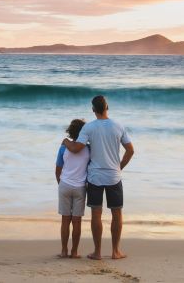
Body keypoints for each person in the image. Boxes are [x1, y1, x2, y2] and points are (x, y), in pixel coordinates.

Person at [62, 95, 134, 260]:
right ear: (107, 107)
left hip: (95, 176)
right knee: (117, 214)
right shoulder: (118, 126)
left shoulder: (89, 128)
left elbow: (77, 148)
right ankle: (116, 251)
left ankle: (98, 252)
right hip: (114, 176)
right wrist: (119, 166)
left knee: (96, 213)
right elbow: (130, 150)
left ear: (93, 110)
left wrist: (66, 142)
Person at [55, 119, 90, 258]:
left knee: (65, 220)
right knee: (76, 221)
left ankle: (64, 251)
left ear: (70, 131)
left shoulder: (63, 147)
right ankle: (74, 252)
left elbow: (58, 169)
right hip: (80, 187)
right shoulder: (88, 149)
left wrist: (61, 183)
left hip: (65, 185)